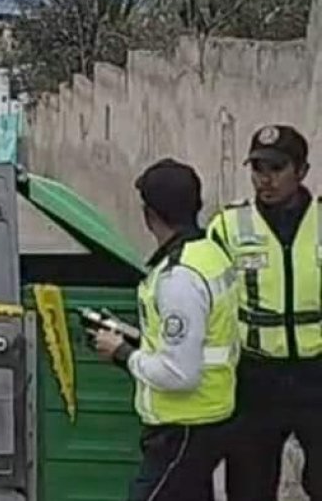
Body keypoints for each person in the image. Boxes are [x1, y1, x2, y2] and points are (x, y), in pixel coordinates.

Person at [94, 158, 239, 501]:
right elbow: (194, 338)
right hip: (204, 418)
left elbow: (178, 373)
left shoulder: (180, 277)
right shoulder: (210, 254)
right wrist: (128, 334)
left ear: (149, 215)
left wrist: (122, 353)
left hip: (184, 426)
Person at [207, 125, 322, 500]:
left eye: (276, 168)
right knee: (250, 485)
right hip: (256, 376)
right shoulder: (228, 226)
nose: (264, 179)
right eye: (257, 168)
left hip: (316, 373)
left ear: (302, 171)